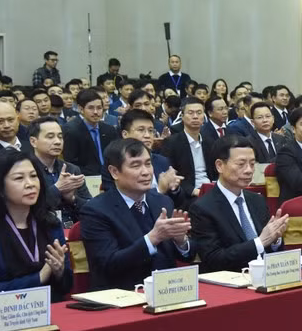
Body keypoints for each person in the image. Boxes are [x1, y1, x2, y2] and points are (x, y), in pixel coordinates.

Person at [80, 139, 196, 290]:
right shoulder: (96, 210)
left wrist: (180, 241)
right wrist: (153, 238)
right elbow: (108, 264)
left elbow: (187, 256)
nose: (146, 172)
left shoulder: (163, 202)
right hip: (121, 296)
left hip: (167, 292)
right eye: (136, 165)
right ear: (114, 172)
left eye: (148, 164)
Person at [0, 149, 71, 307]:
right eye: (19, 178)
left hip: (52, 312)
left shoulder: (50, 224)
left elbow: (67, 286)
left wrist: (60, 272)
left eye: (34, 176)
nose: (30, 184)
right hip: (4, 319)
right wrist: (39, 277)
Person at [190, 135, 289, 272]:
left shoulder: (257, 200)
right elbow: (213, 259)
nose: (249, 170)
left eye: (252, 164)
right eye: (241, 164)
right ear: (220, 166)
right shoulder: (203, 208)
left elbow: (269, 248)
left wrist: (275, 239)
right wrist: (260, 242)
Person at [102, 109, 185, 206]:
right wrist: (160, 190)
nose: (147, 135)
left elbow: (178, 201)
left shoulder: (162, 161)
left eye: (150, 131)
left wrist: (174, 188)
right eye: (141, 130)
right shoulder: (114, 161)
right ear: (125, 134)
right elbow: (115, 203)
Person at [29, 117, 92, 227]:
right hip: (41, 230)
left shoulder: (71, 169)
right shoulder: (26, 170)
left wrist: (72, 199)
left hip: (74, 230)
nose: (57, 142)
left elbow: (91, 207)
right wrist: (57, 189)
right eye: (50, 137)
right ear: (33, 141)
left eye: (60, 137)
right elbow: (29, 207)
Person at [160, 97, 217, 203]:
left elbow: (215, 172)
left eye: (199, 113)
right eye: (190, 113)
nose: (195, 116)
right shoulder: (172, 142)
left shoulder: (210, 142)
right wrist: (193, 191)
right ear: (182, 116)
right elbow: (170, 175)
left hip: (210, 190)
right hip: (188, 195)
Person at [63, 89, 119, 176]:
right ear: (81, 109)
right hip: (85, 177)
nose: (96, 112)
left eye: (99, 108)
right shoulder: (72, 131)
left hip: (110, 175)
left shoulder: (109, 130)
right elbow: (70, 164)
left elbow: (116, 156)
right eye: (91, 108)